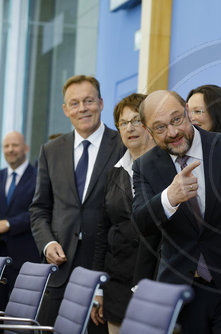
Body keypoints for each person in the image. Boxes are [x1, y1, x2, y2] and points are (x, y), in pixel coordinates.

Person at [132, 90, 221, 334]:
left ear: (187, 110)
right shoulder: (145, 166)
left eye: (177, 120)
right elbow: (141, 221)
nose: (173, 133)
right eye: (161, 127)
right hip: (182, 294)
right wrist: (169, 198)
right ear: (147, 130)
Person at [30, 75, 123, 333]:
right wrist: (47, 243)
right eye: (74, 103)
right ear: (65, 109)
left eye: (88, 101)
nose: (82, 108)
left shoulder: (122, 146)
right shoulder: (51, 150)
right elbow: (39, 208)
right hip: (59, 269)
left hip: (103, 269)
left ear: (101, 103)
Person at [90, 93, 155, 334]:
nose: (130, 128)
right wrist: (98, 288)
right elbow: (102, 233)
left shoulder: (168, 168)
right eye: (123, 123)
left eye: (136, 120)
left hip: (154, 284)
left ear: (149, 122)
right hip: (117, 284)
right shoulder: (113, 173)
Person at [0, 131, 39, 309]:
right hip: (0, 260)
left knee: (19, 315)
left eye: (15, 145)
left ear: (25, 148)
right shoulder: (0, 176)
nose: (10, 150)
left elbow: (38, 212)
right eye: (6, 146)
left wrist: (8, 224)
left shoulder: (39, 177)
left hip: (25, 259)